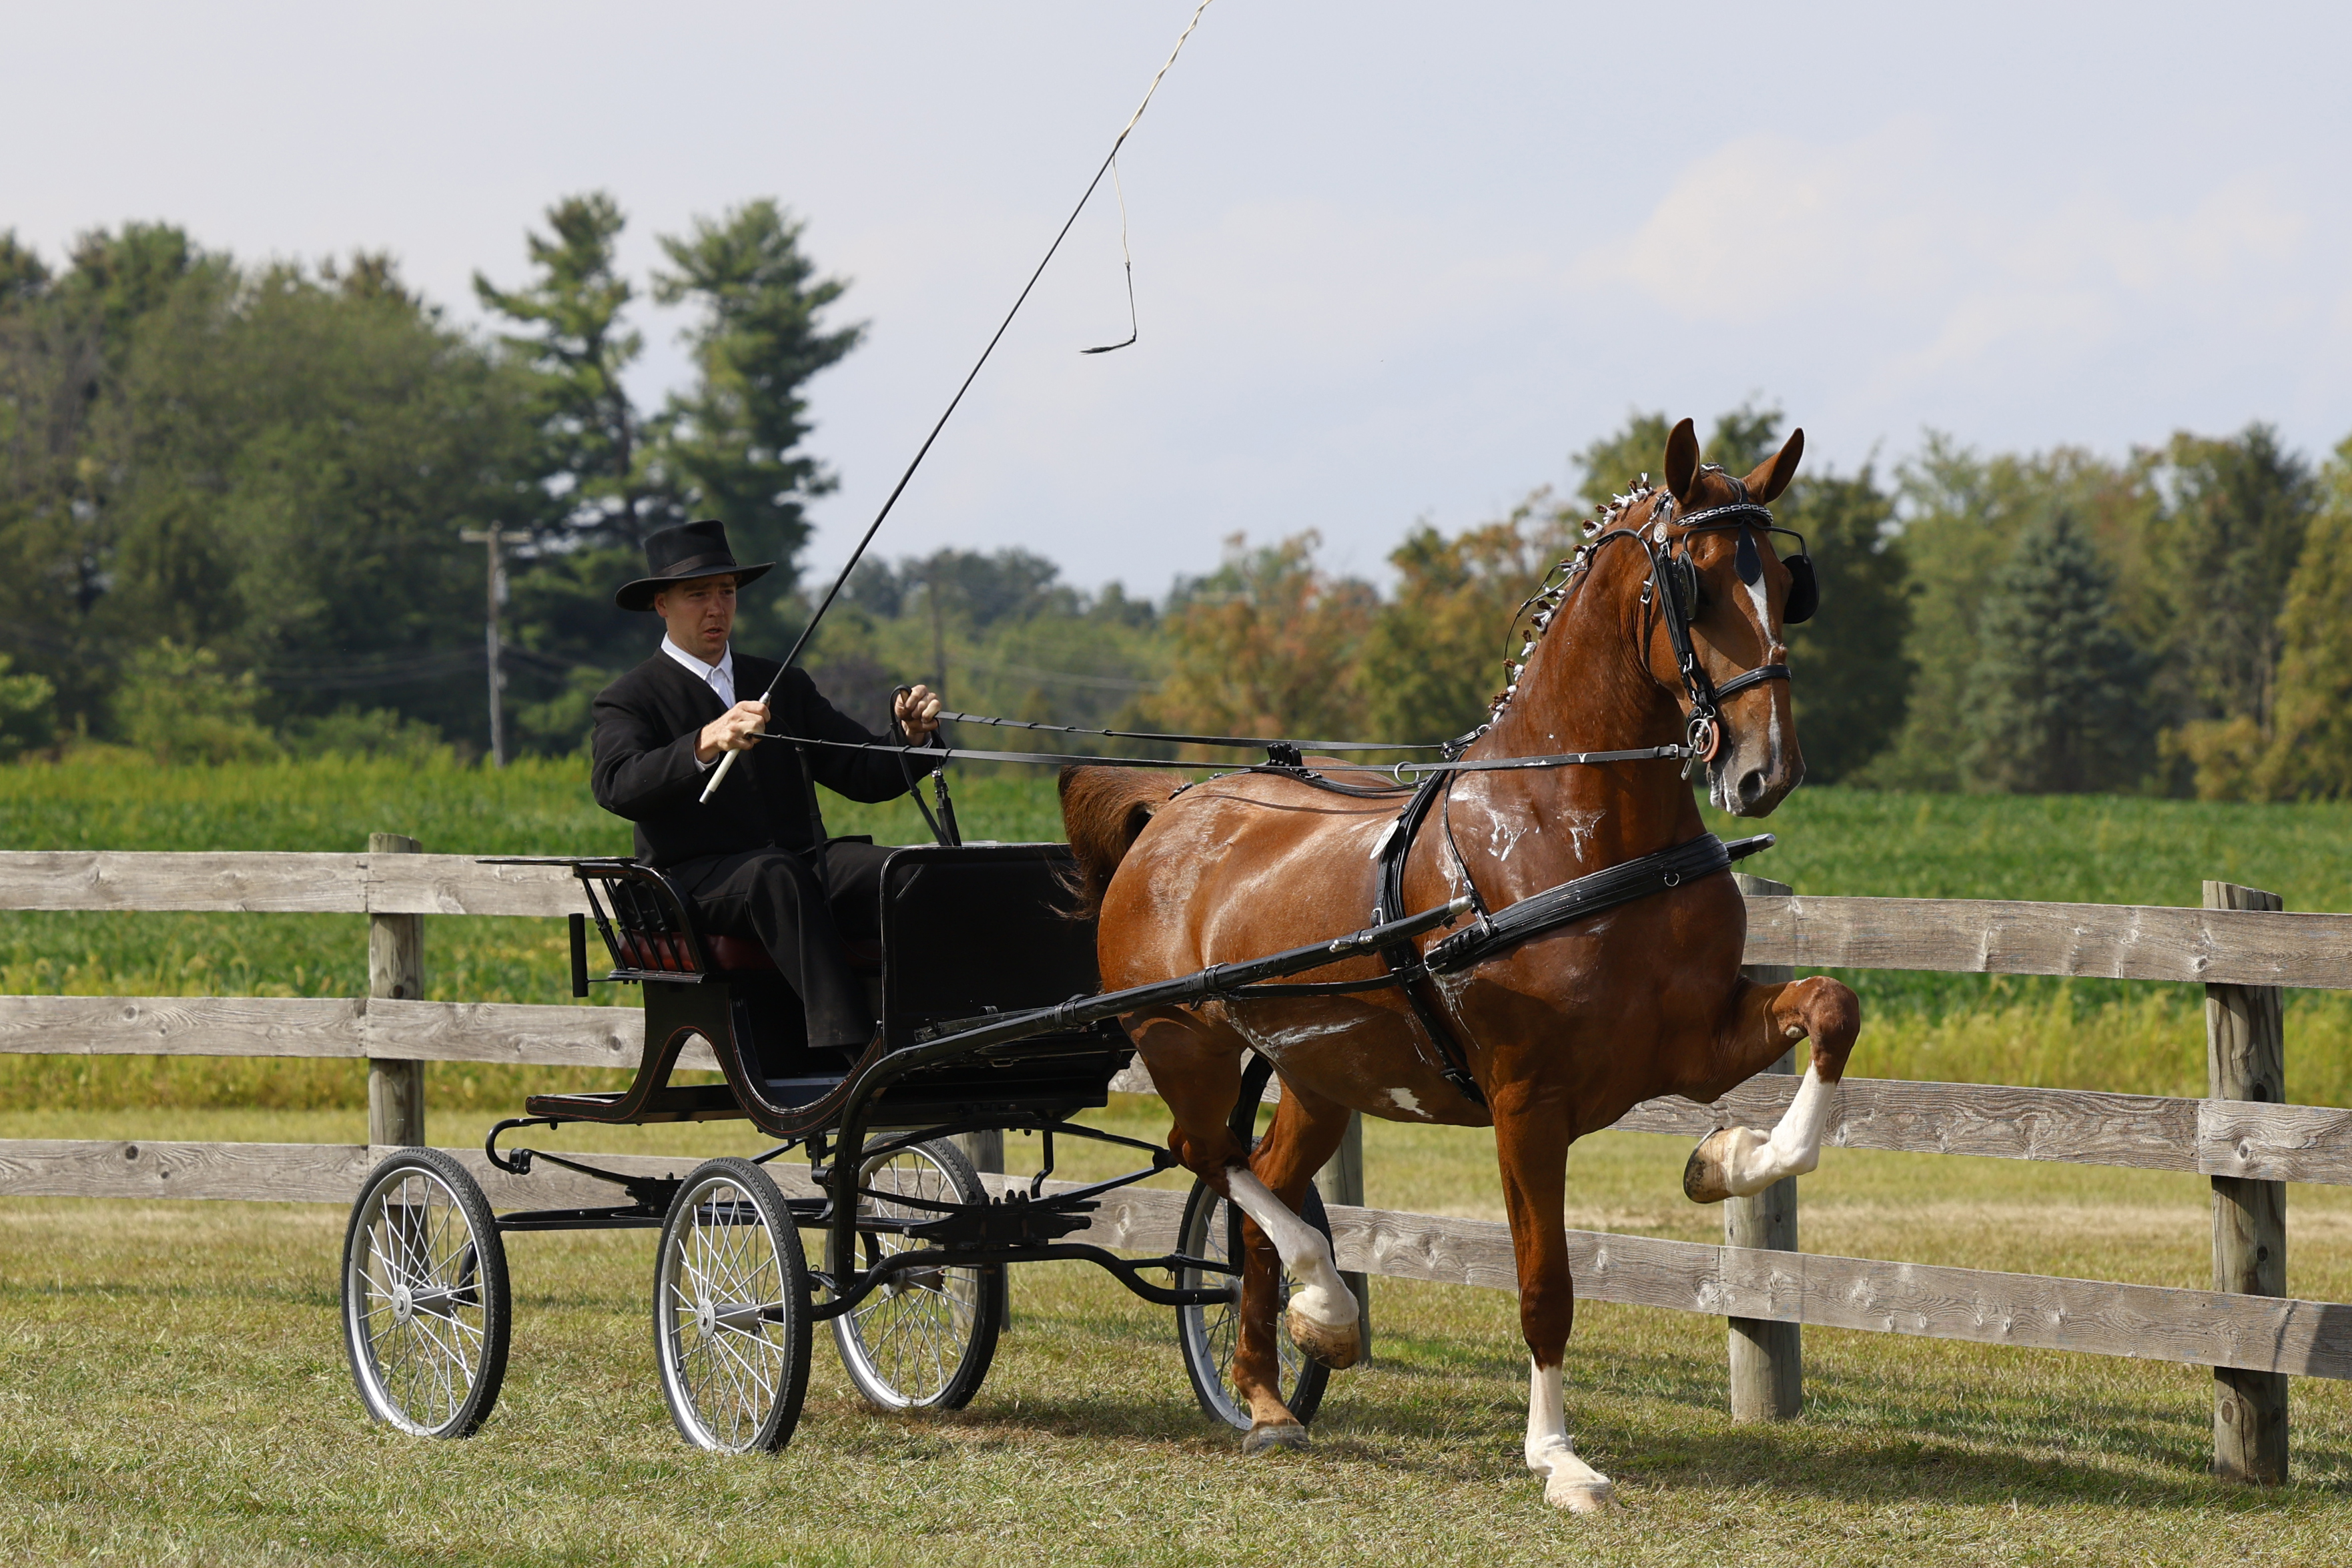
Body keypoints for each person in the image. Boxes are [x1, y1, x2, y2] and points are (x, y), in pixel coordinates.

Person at [591, 519, 943, 1051]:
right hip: (697, 881)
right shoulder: (630, 697)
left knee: (910, 873)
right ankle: (848, 1046)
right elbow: (617, 785)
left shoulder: (782, 685)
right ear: (661, 605)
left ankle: (947, 1029)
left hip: (800, 864)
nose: (716, 608)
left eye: (726, 593)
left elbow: (862, 772)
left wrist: (912, 738)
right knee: (774, 875)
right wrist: (705, 742)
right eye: (697, 595)